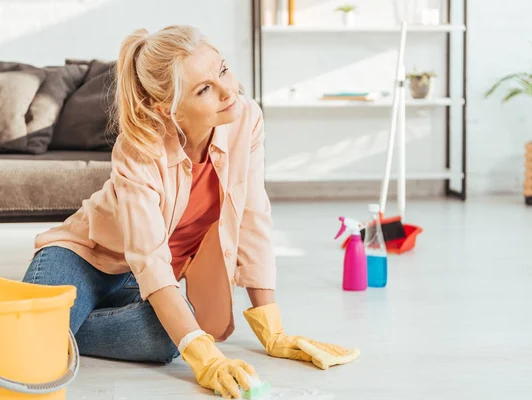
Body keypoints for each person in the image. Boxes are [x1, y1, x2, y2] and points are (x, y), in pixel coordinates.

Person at [23, 25, 359, 398]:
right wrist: (206, 360)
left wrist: (273, 329)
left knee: (172, 340)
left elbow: (253, 217)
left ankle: (59, 320)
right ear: (167, 109)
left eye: (223, 70)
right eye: (204, 89)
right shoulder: (139, 148)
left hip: (136, 280)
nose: (229, 91)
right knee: (35, 346)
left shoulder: (245, 119)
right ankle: (50, 321)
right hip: (80, 256)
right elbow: (149, 258)